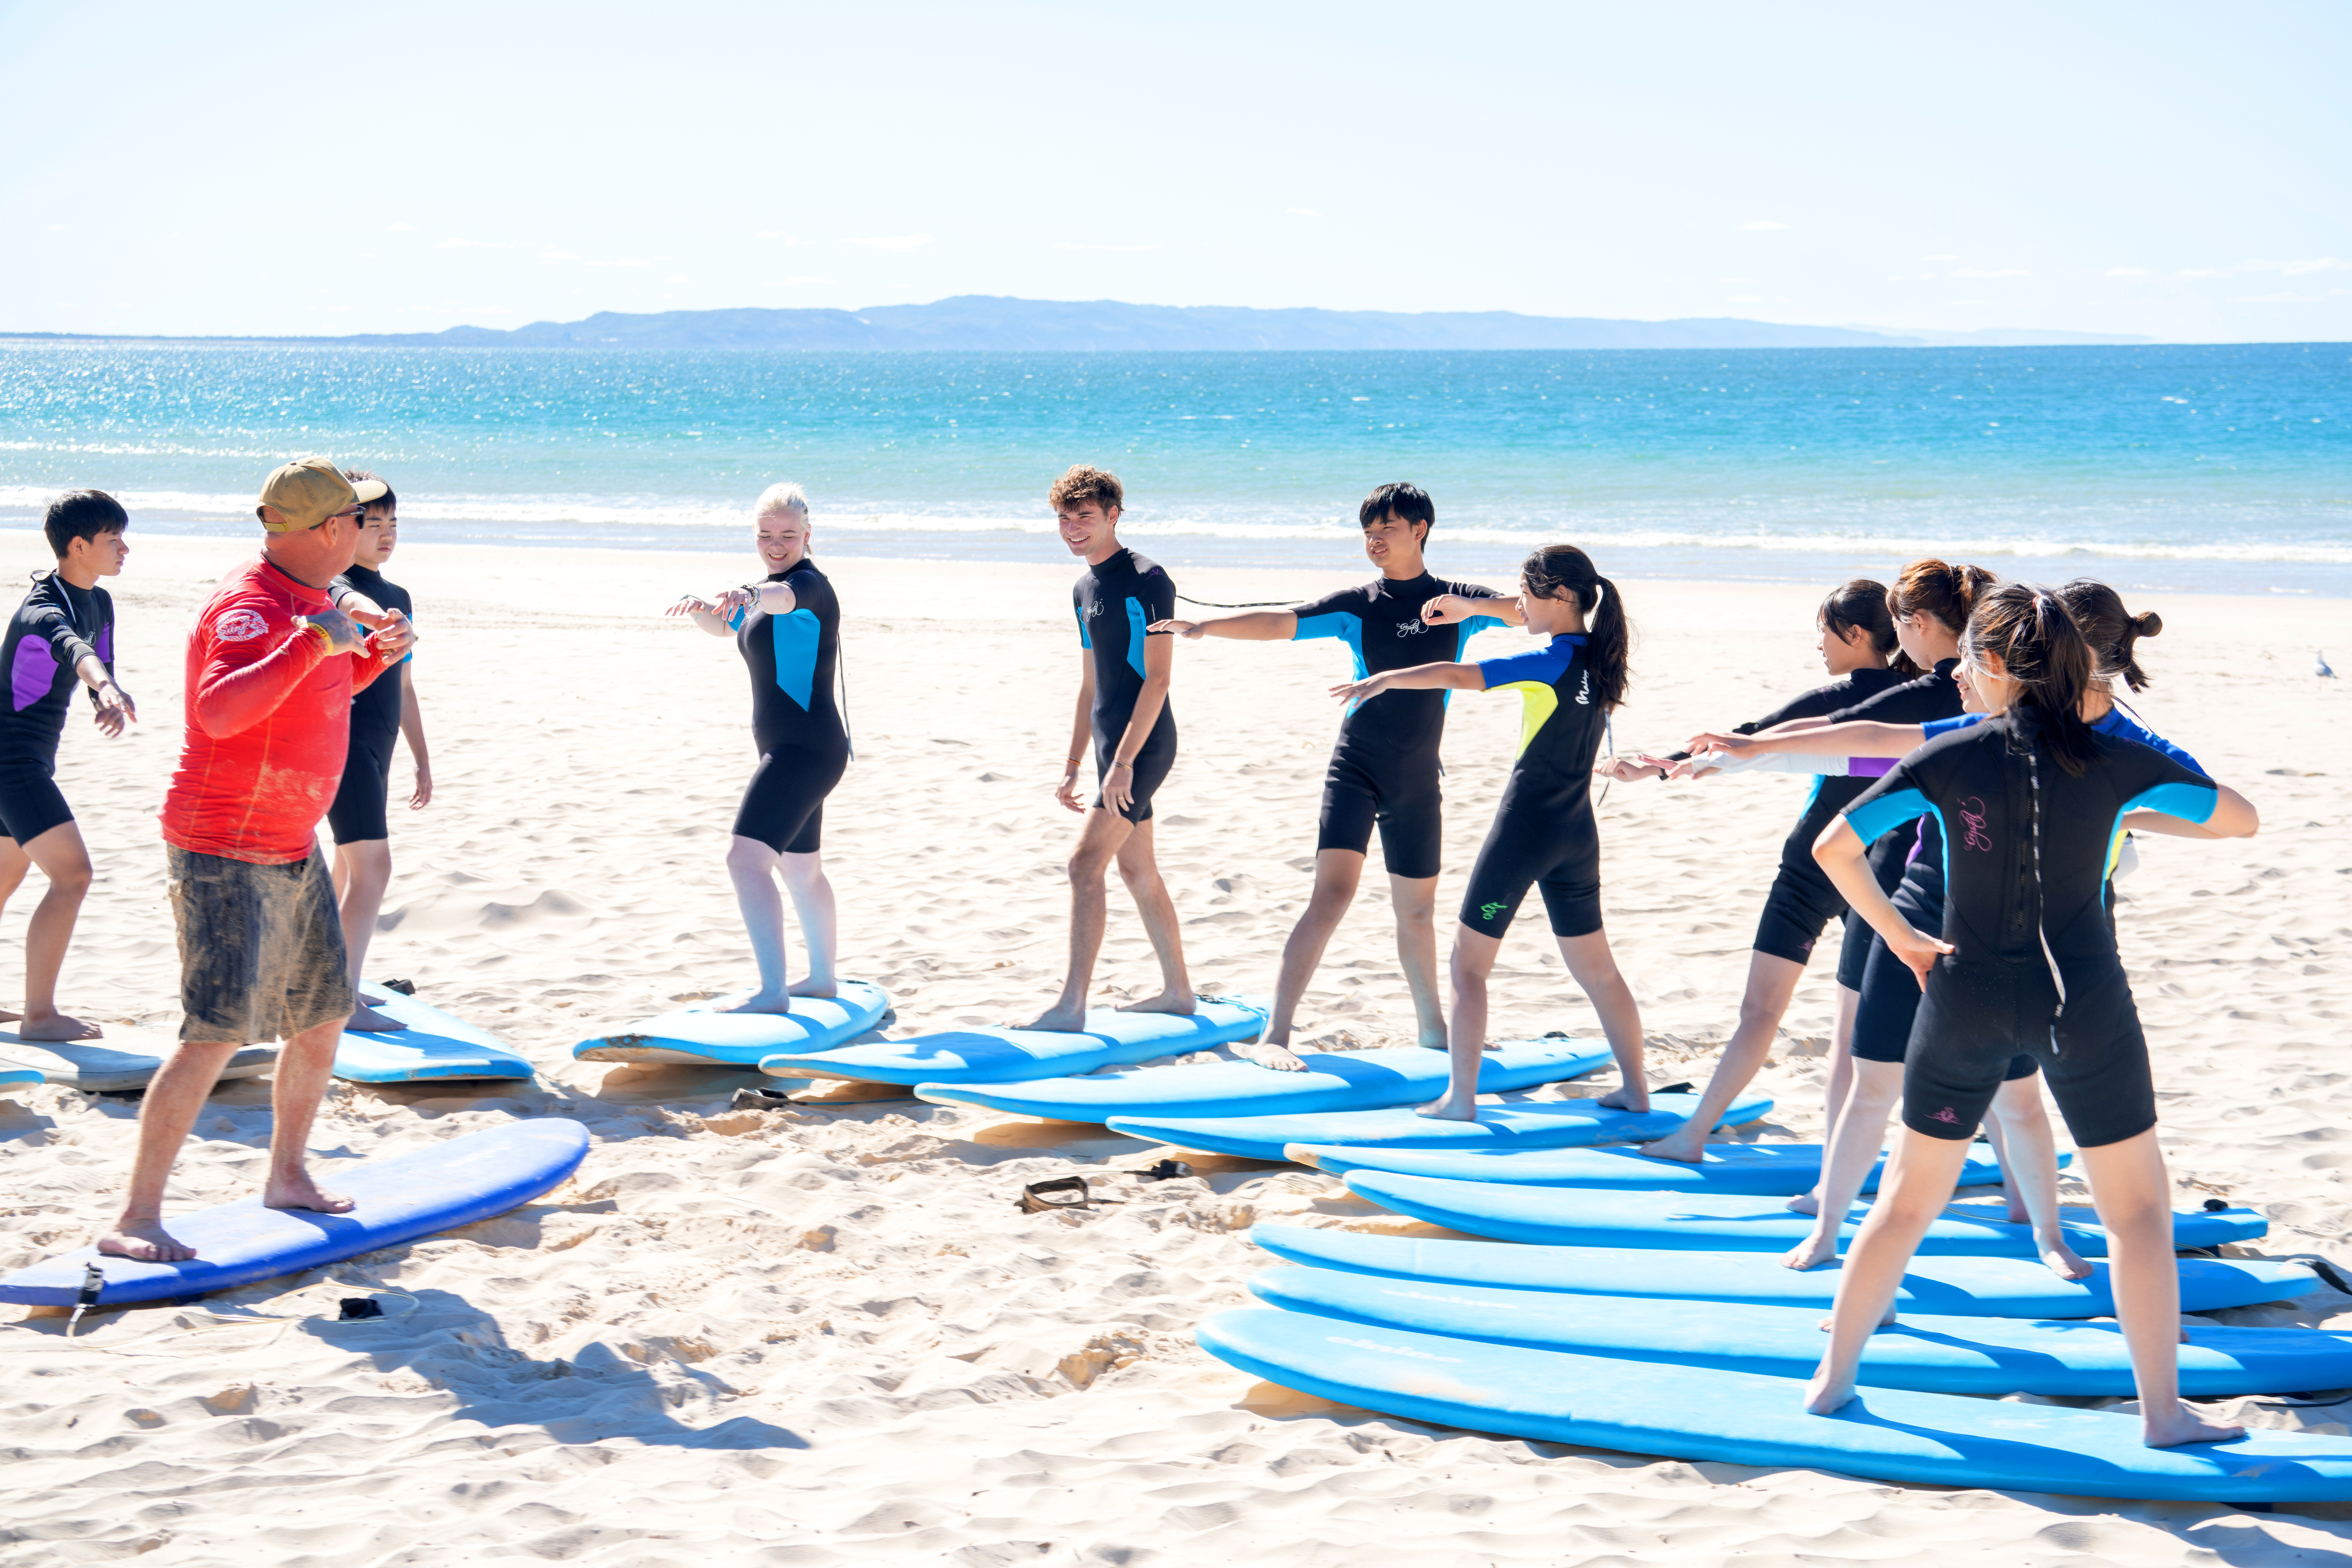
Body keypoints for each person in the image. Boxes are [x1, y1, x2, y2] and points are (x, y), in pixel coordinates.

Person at [1802, 583, 2257, 1449]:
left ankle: (1832, 1381)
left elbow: (1836, 846)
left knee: (1902, 1203)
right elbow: (2240, 818)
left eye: (1967, 662)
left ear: (1996, 666)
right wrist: (2132, 810)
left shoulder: (1953, 753)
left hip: (1962, 999)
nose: (1959, 679)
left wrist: (1901, 936)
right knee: (2134, 1215)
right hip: (2082, 1008)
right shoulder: (2115, 759)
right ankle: (2161, 1413)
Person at [1700, 577, 2203, 1276]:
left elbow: (2210, 803)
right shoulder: (1980, 729)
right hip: (1923, 912)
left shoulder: (2120, 741)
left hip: (2039, 938)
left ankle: (2047, 1231)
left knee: (2021, 1098)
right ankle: (1827, 1230)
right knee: (1876, 1082)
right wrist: (1754, 747)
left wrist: (2105, 811)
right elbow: (1880, 737)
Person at [99, 457, 414, 1262]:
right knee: (215, 1033)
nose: (364, 529)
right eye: (352, 518)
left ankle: (287, 1176)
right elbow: (220, 707)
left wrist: (374, 656)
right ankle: (136, 1217)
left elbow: (313, 690)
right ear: (321, 531)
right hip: (223, 846)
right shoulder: (252, 604)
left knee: (321, 1015)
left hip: (286, 840)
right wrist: (314, 639)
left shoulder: (311, 598)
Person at [1643, 560, 1994, 1166]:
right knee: (1964, 1044)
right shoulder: (1982, 698)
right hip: (1925, 881)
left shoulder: (1931, 695)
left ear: (1914, 624)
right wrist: (1734, 753)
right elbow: (1841, 742)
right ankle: (2016, 1193)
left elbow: (1840, 734)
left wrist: (1727, 753)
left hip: (1878, 876)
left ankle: (1825, 1177)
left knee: (1858, 1044)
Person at [1151, 482, 1512, 1069]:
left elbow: (1529, 614)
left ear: (1420, 530)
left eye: (1387, 529)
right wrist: (1204, 628)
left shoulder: (1458, 600)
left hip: (1419, 777)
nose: (1374, 541)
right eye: (1368, 532)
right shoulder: (1360, 604)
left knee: (1418, 912)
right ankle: (1277, 1034)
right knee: (1331, 896)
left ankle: (1433, 1029)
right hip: (1358, 768)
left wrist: (1473, 608)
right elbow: (1282, 623)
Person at [1330, 545, 1645, 1121]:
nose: (1518, 602)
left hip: (1526, 831)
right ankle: (1637, 1089)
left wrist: (1387, 679)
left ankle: (1461, 1100)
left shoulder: (1549, 660)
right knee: (1598, 970)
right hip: (1578, 832)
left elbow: (1459, 674)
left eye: (1525, 591)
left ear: (1561, 597)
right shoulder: (1600, 660)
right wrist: (1457, 606)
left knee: (1467, 965)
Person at [1595, 579, 1908, 1131]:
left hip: (1812, 873)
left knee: (1761, 1011)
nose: (1820, 646)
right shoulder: (1921, 697)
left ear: (1856, 635)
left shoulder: (1840, 699)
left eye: (1825, 633)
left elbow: (1747, 738)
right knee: (1856, 1027)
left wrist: (1656, 766)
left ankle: (1694, 1134)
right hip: (1881, 875)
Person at [1016, 464, 1193, 1032]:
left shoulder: (1149, 578)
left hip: (1142, 747)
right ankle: (1179, 992)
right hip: (1108, 749)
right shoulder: (1083, 588)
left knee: (1083, 865)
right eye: (1064, 519)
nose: (1073, 529)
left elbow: (1158, 681)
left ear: (1113, 515)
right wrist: (1073, 766)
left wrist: (1120, 766)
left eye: (1085, 517)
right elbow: (1091, 685)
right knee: (1137, 871)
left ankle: (1072, 1006)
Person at [666, 484, 848, 1008]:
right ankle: (820, 980)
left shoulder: (808, 586)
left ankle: (772, 991)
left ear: (808, 536)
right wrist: (704, 609)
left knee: (744, 861)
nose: (776, 544)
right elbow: (729, 629)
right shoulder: (765, 594)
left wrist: (747, 593)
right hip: (803, 750)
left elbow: (781, 598)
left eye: (788, 535)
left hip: (804, 751)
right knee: (802, 868)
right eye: (766, 535)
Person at [0, 491, 137, 1041]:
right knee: (73, 875)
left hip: (28, 761)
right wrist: (103, 687)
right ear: (78, 547)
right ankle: (40, 1016)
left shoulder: (99, 602)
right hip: (11, 764)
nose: (125, 549)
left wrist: (106, 693)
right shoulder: (44, 608)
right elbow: (73, 649)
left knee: (5, 878)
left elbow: (97, 659)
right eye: (113, 540)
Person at [319, 470, 430, 1032]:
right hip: (343, 744)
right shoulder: (334, 588)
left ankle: (339, 980)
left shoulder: (400, 597)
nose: (386, 534)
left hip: (379, 748)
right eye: (373, 523)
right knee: (373, 868)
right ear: (344, 528)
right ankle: (341, 1000)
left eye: (393, 523)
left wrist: (422, 757)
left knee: (348, 867)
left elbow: (405, 686)